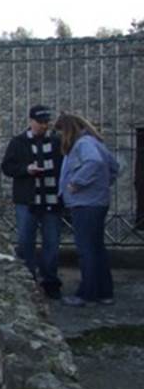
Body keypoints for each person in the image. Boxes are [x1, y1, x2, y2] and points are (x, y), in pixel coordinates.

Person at [54, 113, 120, 306]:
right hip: (97, 202)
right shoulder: (94, 142)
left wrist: (77, 183)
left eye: (60, 132)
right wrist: (102, 184)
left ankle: (87, 294)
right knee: (97, 248)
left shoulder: (83, 144)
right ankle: (104, 292)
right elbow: (113, 167)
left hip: (85, 204)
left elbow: (95, 163)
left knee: (86, 250)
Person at [1, 105, 64, 298]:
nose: (44, 126)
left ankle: (50, 282)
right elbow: (7, 167)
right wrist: (26, 170)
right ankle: (28, 282)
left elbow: (64, 167)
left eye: (46, 122)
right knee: (25, 242)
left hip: (51, 200)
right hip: (27, 201)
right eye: (40, 122)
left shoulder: (56, 142)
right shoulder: (18, 142)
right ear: (31, 121)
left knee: (52, 243)